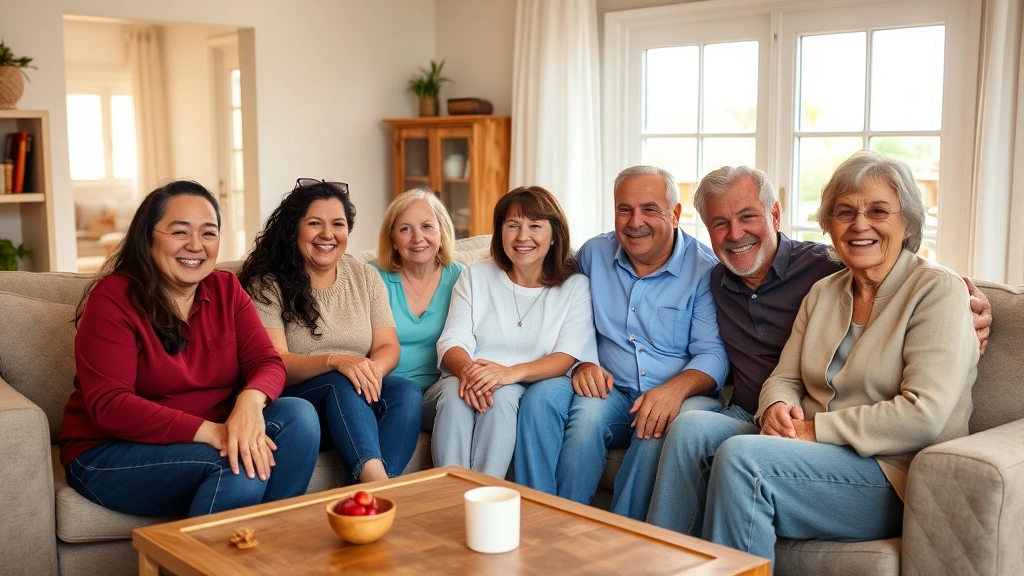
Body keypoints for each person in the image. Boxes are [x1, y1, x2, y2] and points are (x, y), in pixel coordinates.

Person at [650, 151, 980, 566]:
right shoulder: (825, 291)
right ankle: (658, 564)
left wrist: (814, 429)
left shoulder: (937, 291)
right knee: (693, 427)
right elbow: (784, 377)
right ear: (830, 225)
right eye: (844, 213)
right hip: (811, 452)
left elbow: (925, 414)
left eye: (878, 211)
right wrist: (775, 407)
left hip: (893, 474)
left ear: (908, 222)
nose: (860, 224)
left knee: (741, 459)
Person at [58, 180, 319, 518]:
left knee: (300, 417)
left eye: (209, 233)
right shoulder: (113, 298)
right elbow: (111, 405)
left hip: (205, 436)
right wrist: (215, 433)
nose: (196, 245)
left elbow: (267, 361)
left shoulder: (226, 289)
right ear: (148, 236)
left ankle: (267, 545)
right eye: (180, 232)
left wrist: (249, 402)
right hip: (109, 452)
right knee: (237, 462)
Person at [515, 166, 730, 519]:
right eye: (624, 209)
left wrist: (673, 391)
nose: (635, 222)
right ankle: (544, 522)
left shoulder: (704, 270)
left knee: (652, 431)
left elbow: (713, 354)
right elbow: (562, 310)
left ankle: (619, 540)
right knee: (557, 406)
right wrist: (580, 361)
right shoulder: (593, 254)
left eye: (649, 209)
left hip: (675, 392)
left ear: (675, 215)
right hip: (611, 389)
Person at [239, 179, 421, 484]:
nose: (327, 234)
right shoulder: (268, 284)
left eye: (338, 224)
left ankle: (369, 496)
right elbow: (276, 362)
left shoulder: (364, 275)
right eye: (314, 223)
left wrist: (369, 371)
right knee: (341, 379)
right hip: (299, 404)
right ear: (294, 228)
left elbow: (389, 345)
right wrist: (336, 361)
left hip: (354, 401)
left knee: (405, 390)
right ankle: (381, 488)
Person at [424, 186, 598, 478]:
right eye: (512, 226)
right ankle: (449, 499)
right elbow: (452, 339)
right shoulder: (475, 275)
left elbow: (565, 356)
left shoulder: (575, 287)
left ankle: (483, 497)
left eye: (535, 226)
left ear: (554, 235)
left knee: (501, 396)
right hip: (462, 381)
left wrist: (508, 374)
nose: (522, 236)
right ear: (499, 232)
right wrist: (470, 372)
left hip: (518, 389)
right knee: (456, 392)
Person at [371, 188, 464, 395]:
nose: (417, 238)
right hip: (388, 390)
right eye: (405, 229)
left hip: (442, 390)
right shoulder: (370, 277)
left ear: (442, 232)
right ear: (392, 238)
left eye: (427, 226)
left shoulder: (463, 279)